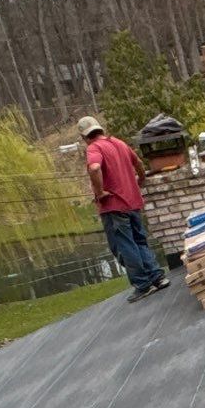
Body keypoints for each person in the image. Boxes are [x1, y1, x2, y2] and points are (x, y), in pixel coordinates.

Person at [80, 116, 170, 302]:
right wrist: (141, 179)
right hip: (132, 202)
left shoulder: (94, 148)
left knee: (124, 245)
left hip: (114, 205)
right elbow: (138, 162)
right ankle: (158, 278)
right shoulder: (119, 143)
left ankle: (142, 285)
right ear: (100, 129)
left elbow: (95, 168)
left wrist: (99, 192)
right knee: (140, 240)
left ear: (84, 137)